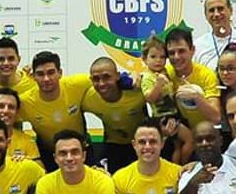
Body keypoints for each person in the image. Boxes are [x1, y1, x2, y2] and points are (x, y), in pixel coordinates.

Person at [20, 50, 93, 170]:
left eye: (51, 72)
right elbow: (2, 115)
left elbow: (107, 78)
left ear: (60, 73)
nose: (46, 78)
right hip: (47, 153)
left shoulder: (77, 84)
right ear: (33, 77)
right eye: (40, 74)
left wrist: (132, 79)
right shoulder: (25, 101)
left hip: (81, 149)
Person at [81, 57, 150, 171]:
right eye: (96, 79)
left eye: (106, 77)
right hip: (113, 146)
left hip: (142, 144)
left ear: (118, 76)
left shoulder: (137, 90)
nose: (101, 83)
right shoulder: (88, 99)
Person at [136, 35, 195, 164]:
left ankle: (177, 168)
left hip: (175, 114)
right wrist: (158, 85)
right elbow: (149, 98)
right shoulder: (147, 77)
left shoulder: (165, 72)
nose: (158, 61)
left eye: (162, 57)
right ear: (144, 59)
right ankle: (181, 166)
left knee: (177, 145)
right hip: (163, 117)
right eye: (153, 57)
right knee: (190, 139)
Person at [161, 27, 222, 130]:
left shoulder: (207, 75)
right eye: (171, 53)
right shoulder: (165, 74)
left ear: (192, 50)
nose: (176, 57)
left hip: (205, 134)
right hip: (180, 134)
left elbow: (216, 117)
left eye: (181, 51)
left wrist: (196, 97)